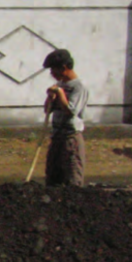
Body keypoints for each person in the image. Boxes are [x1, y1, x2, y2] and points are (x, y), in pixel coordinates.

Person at [43, 49, 88, 187]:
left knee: (73, 178)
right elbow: (47, 110)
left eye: (53, 69)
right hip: (57, 136)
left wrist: (61, 94)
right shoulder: (60, 86)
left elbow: (71, 111)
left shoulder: (79, 87)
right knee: (52, 176)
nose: (52, 74)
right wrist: (50, 97)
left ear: (64, 68)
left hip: (71, 138)